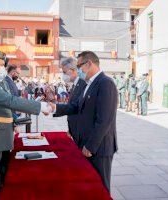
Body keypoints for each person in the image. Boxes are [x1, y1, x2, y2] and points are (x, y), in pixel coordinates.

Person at [0, 48, 52, 200]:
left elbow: (5, 105)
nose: (3, 68)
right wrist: (41, 107)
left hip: (0, 137)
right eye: (1, 65)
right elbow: (9, 101)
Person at [50, 51, 118, 193]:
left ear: (89, 64)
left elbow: (104, 120)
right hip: (87, 143)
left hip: (99, 147)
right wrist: (54, 107)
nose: (78, 69)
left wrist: (91, 146)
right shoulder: (90, 83)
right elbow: (77, 107)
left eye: (79, 66)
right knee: (90, 187)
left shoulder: (105, 83)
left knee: (101, 188)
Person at [54, 57, 86, 147]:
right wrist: (71, 129)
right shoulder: (75, 85)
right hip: (74, 131)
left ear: (72, 70)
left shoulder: (83, 84)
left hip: (81, 133)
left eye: (64, 72)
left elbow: (76, 108)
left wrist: (54, 108)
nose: (63, 75)